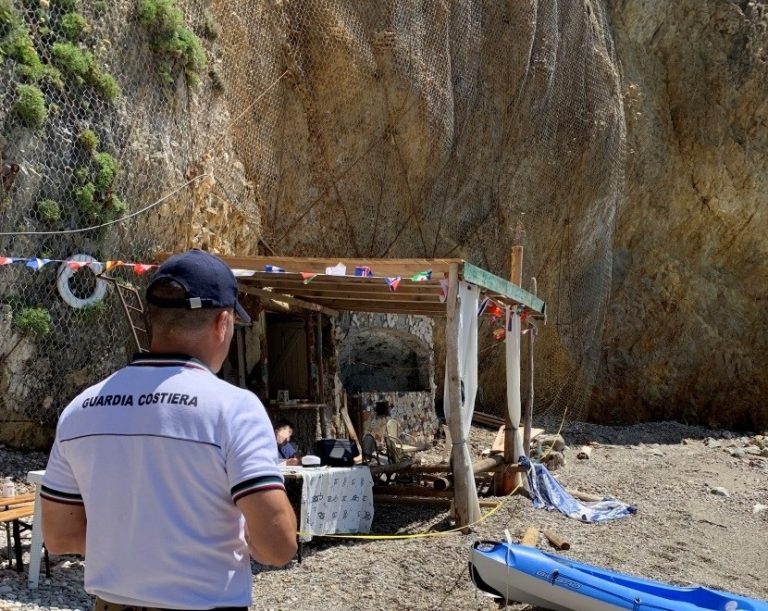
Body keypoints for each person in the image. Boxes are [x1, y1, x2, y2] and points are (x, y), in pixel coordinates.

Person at [40, 249, 297, 611]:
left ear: (152, 319)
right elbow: (278, 546)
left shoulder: (80, 409)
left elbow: (59, 536)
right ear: (223, 322)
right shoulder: (235, 409)